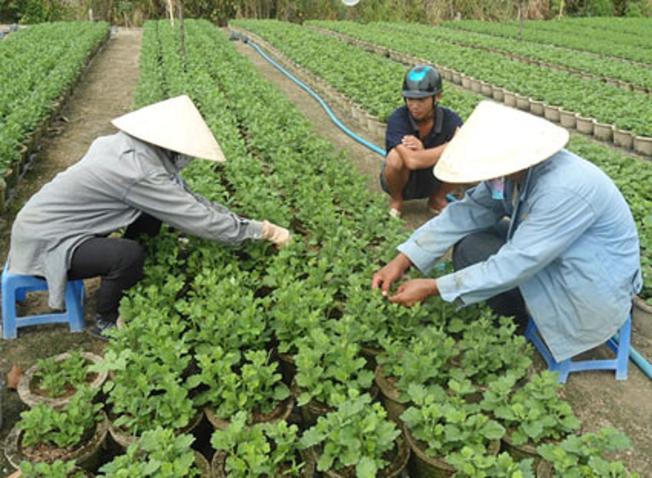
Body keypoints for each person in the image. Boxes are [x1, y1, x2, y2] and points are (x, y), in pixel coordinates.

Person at [372, 101, 641, 362]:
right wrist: (403, 259)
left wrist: (434, 288)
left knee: (478, 252)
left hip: (589, 284)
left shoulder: (563, 189)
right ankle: (512, 313)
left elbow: (515, 263)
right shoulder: (512, 172)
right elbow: (466, 212)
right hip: (562, 254)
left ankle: (516, 328)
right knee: (471, 242)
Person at [7, 95, 291, 336]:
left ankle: (132, 271)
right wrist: (264, 232)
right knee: (127, 256)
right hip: (48, 241)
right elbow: (196, 217)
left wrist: (247, 223)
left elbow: (188, 199)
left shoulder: (131, 146)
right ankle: (105, 320)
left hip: (45, 225)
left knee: (151, 214)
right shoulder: (137, 169)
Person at [380, 65, 463, 218]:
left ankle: (437, 198)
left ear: (437, 97)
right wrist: (451, 145)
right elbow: (412, 161)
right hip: (405, 180)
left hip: (433, 179)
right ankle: (396, 199)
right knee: (395, 158)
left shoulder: (450, 119)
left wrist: (423, 150)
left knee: (463, 156)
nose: (414, 106)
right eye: (410, 99)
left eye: (421, 99)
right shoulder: (398, 118)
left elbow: (467, 146)